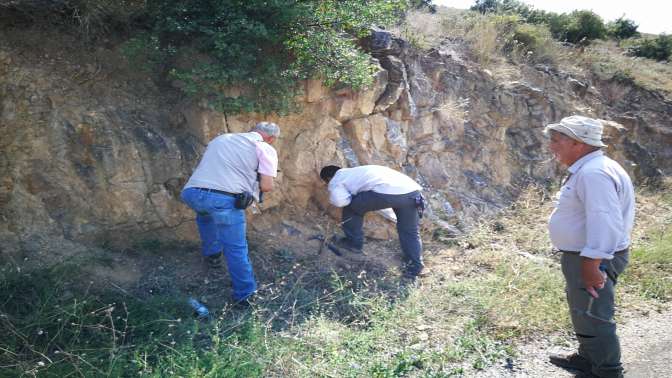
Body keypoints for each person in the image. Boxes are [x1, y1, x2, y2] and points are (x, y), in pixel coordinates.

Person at [545, 115, 635, 378]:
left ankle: (608, 370)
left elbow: (604, 219)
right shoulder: (594, 168)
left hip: (593, 257)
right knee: (584, 311)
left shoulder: (594, 173)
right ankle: (588, 358)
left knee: (595, 315)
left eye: (556, 140)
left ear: (578, 143)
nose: (552, 146)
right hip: (587, 256)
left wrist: (593, 262)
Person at [181, 122, 280, 304]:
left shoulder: (221, 138)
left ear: (252, 130)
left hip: (192, 193)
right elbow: (267, 186)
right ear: (271, 138)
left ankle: (212, 256)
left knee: (205, 216)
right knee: (236, 248)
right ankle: (245, 295)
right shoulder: (264, 148)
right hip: (223, 201)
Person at [319, 165, 426, 278]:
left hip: (388, 193)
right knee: (410, 231)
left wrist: (351, 198)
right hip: (414, 193)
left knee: (351, 207)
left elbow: (340, 201)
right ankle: (415, 266)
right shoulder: (359, 171)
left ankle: (353, 244)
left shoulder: (337, 178)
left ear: (328, 178)